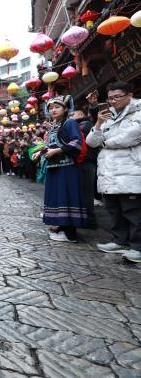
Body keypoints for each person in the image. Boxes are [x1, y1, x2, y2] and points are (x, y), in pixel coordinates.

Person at [86, 81, 141, 262]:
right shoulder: (109, 116)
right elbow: (91, 142)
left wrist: (105, 143)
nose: (113, 101)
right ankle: (119, 241)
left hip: (130, 170)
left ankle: (137, 247)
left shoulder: (138, 112)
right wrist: (99, 123)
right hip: (109, 171)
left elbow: (132, 135)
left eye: (117, 97)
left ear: (129, 95)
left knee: (132, 210)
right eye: (110, 98)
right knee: (114, 209)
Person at [43, 95, 88, 243]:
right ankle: (61, 226)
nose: (53, 110)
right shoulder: (54, 125)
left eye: (57, 107)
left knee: (67, 197)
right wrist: (41, 152)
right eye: (51, 108)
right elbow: (50, 145)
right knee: (57, 197)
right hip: (54, 167)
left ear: (66, 108)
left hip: (67, 167)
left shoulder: (69, 123)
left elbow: (77, 142)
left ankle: (70, 234)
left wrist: (57, 151)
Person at [70, 107, 99, 228]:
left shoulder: (85, 124)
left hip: (87, 161)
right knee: (83, 192)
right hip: (83, 161)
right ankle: (84, 218)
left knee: (86, 192)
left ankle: (89, 220)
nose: (71, 116)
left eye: (73, 114)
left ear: (81, 114)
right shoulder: (79, 124)